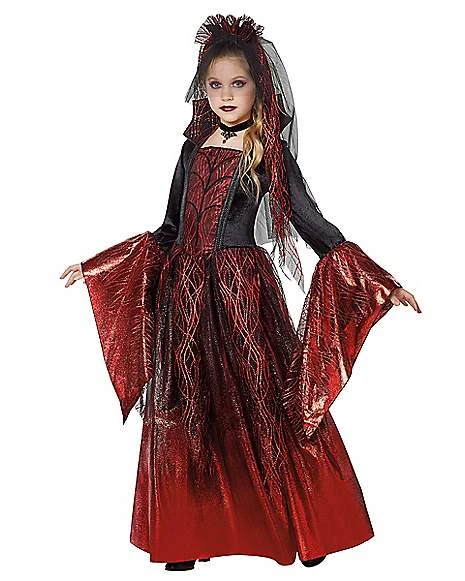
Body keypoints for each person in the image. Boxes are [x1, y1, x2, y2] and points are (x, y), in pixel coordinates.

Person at [60, 14, 421, 572]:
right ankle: (187, 538)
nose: (226, 95)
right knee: (189, 408)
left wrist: (378, 281)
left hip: (241, 293)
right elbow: (169, 230)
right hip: (185, 297)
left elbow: (313, 225)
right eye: (215, 85)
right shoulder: (190, 150)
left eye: (238, 83)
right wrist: (101, 265)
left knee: (268, 396)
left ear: (260, 87)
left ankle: (305, 528)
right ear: (202, 90)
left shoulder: (268, 152)